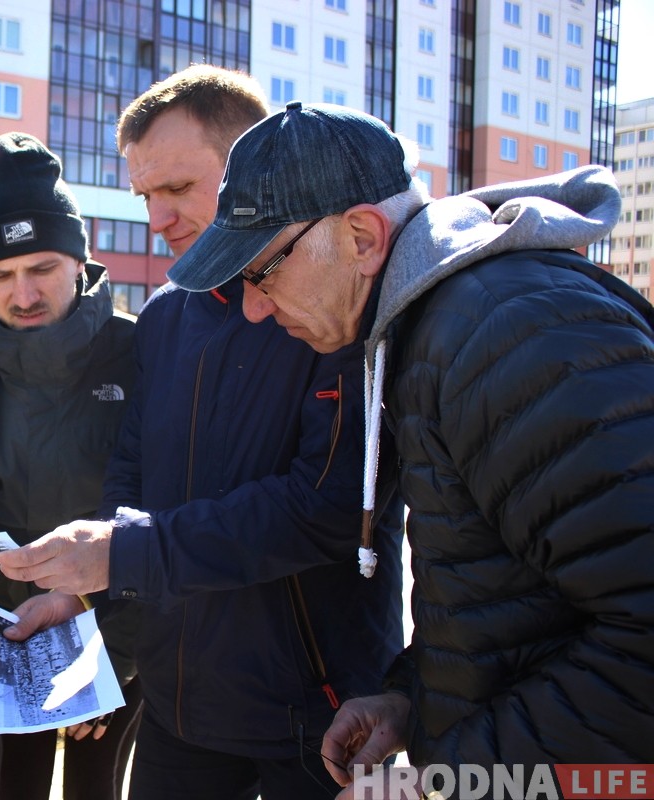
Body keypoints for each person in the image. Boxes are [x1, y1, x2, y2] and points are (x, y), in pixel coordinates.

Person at [165, 101, 654, 791]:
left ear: (362, 236)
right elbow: (515, 601)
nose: (254, 307)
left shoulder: (508, 333)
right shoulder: (444, 326)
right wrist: (415, 701)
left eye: (261, 270)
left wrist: (454, 775)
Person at [0, 67, 405, 800]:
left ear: (251, 169)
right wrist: (97, 585)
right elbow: (133, 474)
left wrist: (123, 555)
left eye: (178, 189)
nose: (158, 216)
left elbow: (326, 511)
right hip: (177, 708)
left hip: (321, 718)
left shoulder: (336, 301)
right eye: (145, 195)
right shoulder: (165, 315)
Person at [0, 131, 144, 800]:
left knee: (97, 788)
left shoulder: (137, 350)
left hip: (110, 629)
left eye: (42, 266)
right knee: (14, 789)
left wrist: (114, 656)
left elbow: (160, 510)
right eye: (0, 275)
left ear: (79, 258)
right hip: (8, 629)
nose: (23, 293)